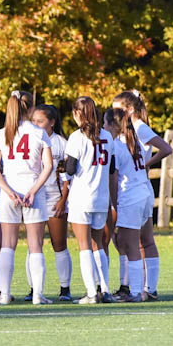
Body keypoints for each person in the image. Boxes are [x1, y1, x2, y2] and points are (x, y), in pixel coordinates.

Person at [0, 90, 54, 305]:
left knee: (8, 244)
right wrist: (33, 190)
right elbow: (49, 166)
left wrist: (8, 192)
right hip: (32, 190)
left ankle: (4, 295)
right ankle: (37, 294)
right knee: (35, 245)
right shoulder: (39, 132)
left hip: (10, 191)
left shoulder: (2, 133)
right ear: (31, 108)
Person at [112, 90, 172, 301]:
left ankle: (136, 289)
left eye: (117, 109)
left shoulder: (137, 128)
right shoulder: (126, 132)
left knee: (134, 243)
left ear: (129, 110)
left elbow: (166, 149)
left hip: (133, 190)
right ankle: (142, 288)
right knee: (141, 242)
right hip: (142, 189)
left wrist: (147, 165)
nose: (113, 114)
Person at [64, 96, 116, 304]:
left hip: (81, 197)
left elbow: (70, 169)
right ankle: (105, 289)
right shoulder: (108, 137)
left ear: (77, 114)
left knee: (84, 245)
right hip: (101, 197)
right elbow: (111, 168)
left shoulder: (76, 137)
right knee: (99, 245)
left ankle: (91, 293)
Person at [21, 104, 73, 302]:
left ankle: (64, 288)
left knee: (59, 244)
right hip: (34, 196)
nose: (36, 124)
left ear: (52, 122)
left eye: (40, 121)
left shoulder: (61, 143)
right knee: (34, 244)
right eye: (33, 121)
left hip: (54, 197)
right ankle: (33, 288)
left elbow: (69, 175)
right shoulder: (30, 138)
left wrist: (63, 199)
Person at [104, 107, 149, 303]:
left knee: (131, 246)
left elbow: (113, 180)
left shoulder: (115, 145)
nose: (103, 127)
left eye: (105, 123)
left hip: (130, 198)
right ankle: (134, 290)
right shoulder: (132, 141)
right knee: (126, 243)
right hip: (142, 194)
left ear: (113, 125)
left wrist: (115, 204)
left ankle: (136, 291)